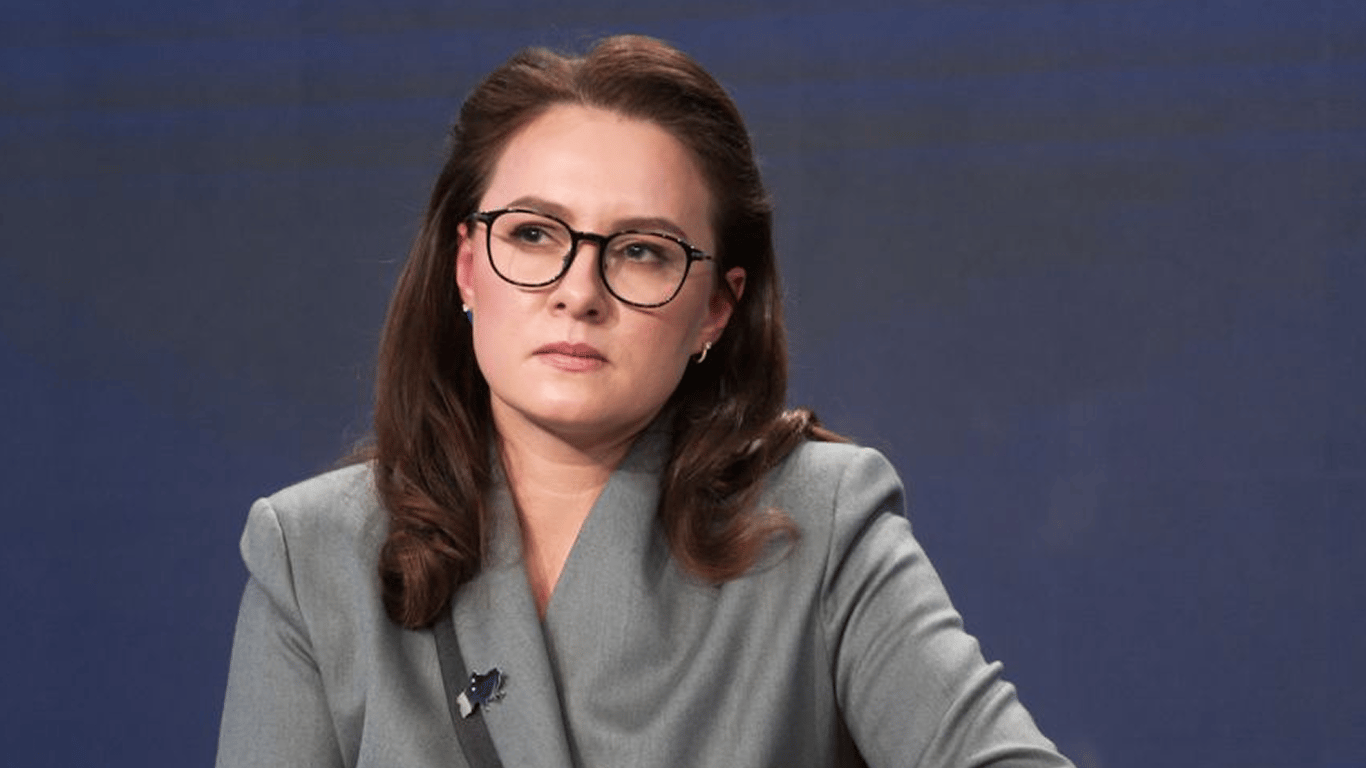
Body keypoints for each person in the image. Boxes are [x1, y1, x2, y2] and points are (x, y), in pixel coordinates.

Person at [216, 34, 1073, 768]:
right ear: (466, 267)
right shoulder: (313, 554)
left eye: (641, 251)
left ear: (716, 309)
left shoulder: (820, 524)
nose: (578, 292)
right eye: (533, 234)